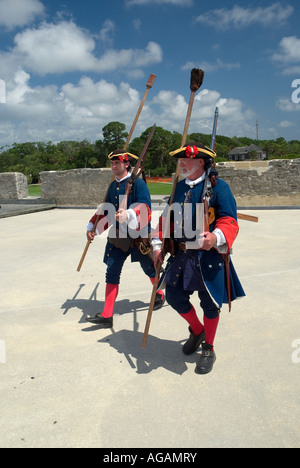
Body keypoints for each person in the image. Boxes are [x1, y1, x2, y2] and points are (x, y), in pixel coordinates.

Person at [153, 143, 245, 374]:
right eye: (180, 159)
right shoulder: (178, 188)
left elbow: (229, 220)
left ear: (201, 162)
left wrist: (215, 237)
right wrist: (157, 244)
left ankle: (209, 348)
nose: (181, 163)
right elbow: (166, 219)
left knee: (210, 305)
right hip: (182, 254)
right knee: (174, 296)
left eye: (186, 159)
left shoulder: (219, 188)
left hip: (208, 257)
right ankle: (197, 329)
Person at [86, 149, 165, 328]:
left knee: (150, 269)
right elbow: (106, 211)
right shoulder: (113, 186)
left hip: (139, 236)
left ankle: (159, 292)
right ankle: (107, 315)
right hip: (119, 237)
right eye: (112, 163)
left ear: (126, 164)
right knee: (112, 271)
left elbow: (145, 208)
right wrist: (93, 227)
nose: (114, 166)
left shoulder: (138, 184)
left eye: (117, 163)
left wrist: (129, 214)